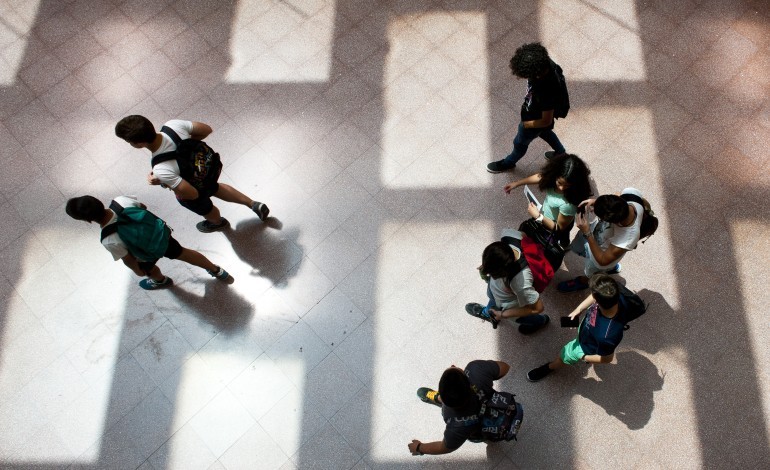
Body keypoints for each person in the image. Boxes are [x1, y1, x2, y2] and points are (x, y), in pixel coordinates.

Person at [115, 115, 270, 233]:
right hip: (209, 168)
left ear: (139, 143)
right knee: (215, 187)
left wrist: (163, 182)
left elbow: (192, 193)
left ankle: (217, 223)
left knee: (206, 208)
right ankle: (253, 204)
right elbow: (206, 129)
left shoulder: (160, 168)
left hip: (196, 184)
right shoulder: (172, 126)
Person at [66, 195, 232, 290]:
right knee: (183, 252)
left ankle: (161, 281)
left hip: (144, 255)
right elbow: (142, 207)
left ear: (87, 220)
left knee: (150, 269)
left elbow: (128, 258)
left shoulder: (108, 238)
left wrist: (138, 270)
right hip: (161, 236)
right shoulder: (120, 201)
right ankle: (216, 270)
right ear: (98, 202)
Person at [527, 274, 628, 381]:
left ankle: (550, 367)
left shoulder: (607, 336)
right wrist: (578, 309)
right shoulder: (614, 294)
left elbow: (607, 358)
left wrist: (583, 356)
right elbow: (595, 295)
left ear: (599, 302)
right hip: (587, 330)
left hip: (584, 347)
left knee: (564, 355)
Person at [487, 42, 567, 173]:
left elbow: (545, 120)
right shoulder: (546, 63)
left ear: (536, 74)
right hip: (537, 116)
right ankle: (561, 153)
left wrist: (527, 124)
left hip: (534, 120)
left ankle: (508, 162)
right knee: (545, 132)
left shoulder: (545, 91)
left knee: (519, 144)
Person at [408, 360, 511, 455]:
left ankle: (437, 398)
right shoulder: (476, 370)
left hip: (474, 429)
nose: (453, 365)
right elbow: (505, 367)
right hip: (495, 413)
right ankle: (480, 436)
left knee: (470, 431)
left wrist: (419, 447)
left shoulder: (456, 425)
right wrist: (485, 379)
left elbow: (443, 447)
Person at [557, 188, 644, 292]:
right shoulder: (631, 194)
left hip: (600, 256)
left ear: (613, 222)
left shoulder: (628, 238)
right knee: (585, 249)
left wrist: (587, 232)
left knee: (592, 272)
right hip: (598, 238)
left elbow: (602, 261)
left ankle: (583, 282)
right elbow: (616, 194)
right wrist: (597, 202)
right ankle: (611, 268)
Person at [465, 229, 549, 335]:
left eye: (494, 274)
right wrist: (488, 264)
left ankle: (541, 321)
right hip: (499, 291)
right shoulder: (509, 236)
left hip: (510, 303)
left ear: (503, 271)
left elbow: (538, 308)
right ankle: (489, 313)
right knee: (492, 297)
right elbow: (523, 234)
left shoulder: (520, 282)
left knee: (523, 318)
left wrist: (503, 314)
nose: (491, 276)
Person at [503, 153, 592, 251]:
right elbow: (540, 177)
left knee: (563, 236)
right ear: (554, 174)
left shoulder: (568, 204)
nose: (562, 188)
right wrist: (517, 183)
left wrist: (539, 217)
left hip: (556, 225)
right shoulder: (551, 177)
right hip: (548, 217)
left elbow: (559, 228)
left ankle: (564, 246)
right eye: (559, 183)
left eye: (567, 185)